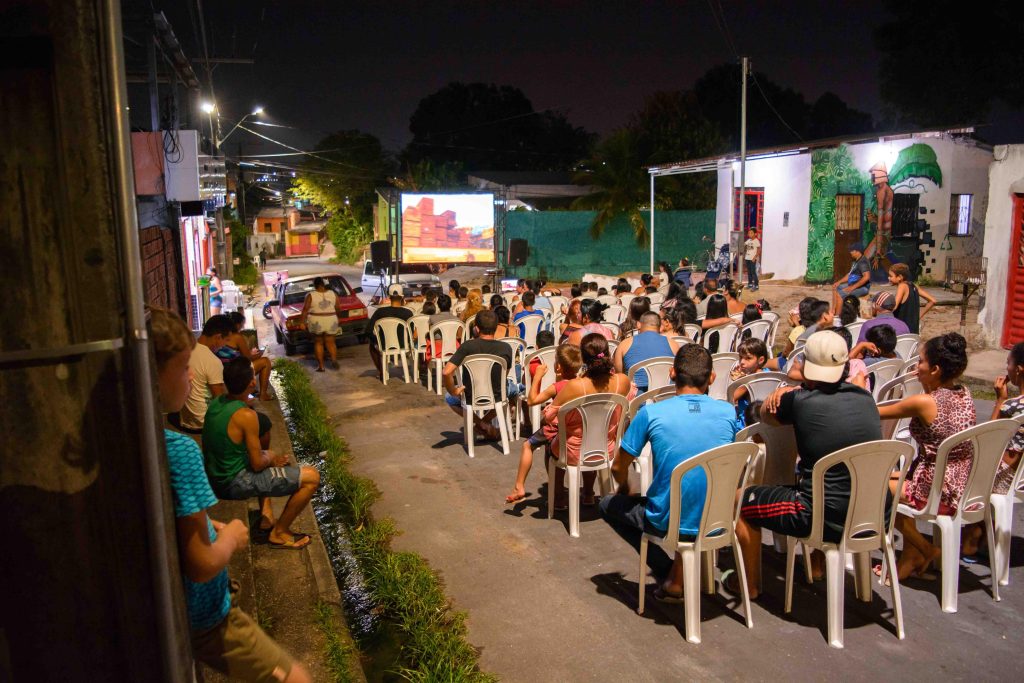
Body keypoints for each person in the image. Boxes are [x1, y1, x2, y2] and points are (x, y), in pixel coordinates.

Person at [149, 307, 310, 683]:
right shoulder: (180, 450)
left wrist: (203, 522)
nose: (191, 377)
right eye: (184, 366)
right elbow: (203, 563)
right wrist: (231, 537)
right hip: (205, 614)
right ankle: (278, 531)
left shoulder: (203, 417)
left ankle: (269, 517)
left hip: (167, 614)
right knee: (295, 678)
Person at [735, 331, 881, 597]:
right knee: (833, 487)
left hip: (816, 513)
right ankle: (817, 565)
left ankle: (749, 585)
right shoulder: (865, 398)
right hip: (872, 511)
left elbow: (765, 416)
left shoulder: (799, 400)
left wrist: (782, 393)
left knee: (739, 501)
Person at [601, 344, 739, 600]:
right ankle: (678, 575)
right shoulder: (728, 413)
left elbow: (619, 466)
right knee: (690, 491)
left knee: (608, 505)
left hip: (666, 519)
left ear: (673, 373)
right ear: (712, 377)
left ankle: (669, 573)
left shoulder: (652, 413)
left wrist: (624, 487)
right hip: (716, 517)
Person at [876, 333, 975, 580]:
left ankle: (925, 548)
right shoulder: (964, 392)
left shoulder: (924, 402)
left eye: (920, 362)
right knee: (887, 477)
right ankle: (911, 556)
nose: (916, 367)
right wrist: (925, 383)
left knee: (876, 489)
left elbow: (874, 411)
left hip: (936, 487)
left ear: (935, 369)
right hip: (961, 483)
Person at [203, 358, 321, 550]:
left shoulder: (217, 403)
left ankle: (268, 514)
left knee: (265, 444)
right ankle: (279, 533)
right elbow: (258, 464)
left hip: (216, 477)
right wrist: (271, 456)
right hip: (235, 482)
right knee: (312, 477)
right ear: (252, 382)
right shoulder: (246, 416)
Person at [546, 334, 633, 509]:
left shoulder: (575, 386)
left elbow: (548, 416)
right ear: (607, 354)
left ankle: (558, 498)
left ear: (583, 359)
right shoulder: (622, 381)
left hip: (573, 451)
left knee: (551, 448)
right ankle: (588, 493)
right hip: (608, 447)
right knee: (592, 436)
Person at [505, 344, 583, 504]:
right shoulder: (582, 383)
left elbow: (532, 400)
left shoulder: (557, 387)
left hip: (556, 428)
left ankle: (519, 486)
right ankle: (559, 495)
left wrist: (538, 377)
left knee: (528, 445)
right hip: (576, 429)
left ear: (558, 366)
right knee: (551, 451)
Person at [442, 310, 523, 441]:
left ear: (476, 328)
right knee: (515, 390)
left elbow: (446, 372)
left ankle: (481, 424)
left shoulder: (467, 346)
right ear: (496, 328)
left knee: (449, 398)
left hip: (471, 394)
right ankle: (484, 424)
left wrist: (453, 390)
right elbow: (505, 375)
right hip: (498, 393)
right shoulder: (506, 348)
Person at [172, 314, 233, 436]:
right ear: (218, 337)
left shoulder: (185, 349)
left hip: (185, 420)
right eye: (226, 340)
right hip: (204, 423)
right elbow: (219, 400)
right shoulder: (212, 361)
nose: (225, 345)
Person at [614, 312, 678, 392]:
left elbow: (620, 375)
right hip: (665, 396)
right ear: (660, 326)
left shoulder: (624, 344)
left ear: (638, 324)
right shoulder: (674, 344)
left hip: (636, 400)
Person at [217, 311, 273, 400]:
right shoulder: (237, 337)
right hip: (234, 372)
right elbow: (247, 359)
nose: (242, 327)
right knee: (265, 361)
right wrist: (259, 354)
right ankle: (263, 395)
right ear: (237, 324)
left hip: (223, 370)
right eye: (242, 324)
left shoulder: (220, 335)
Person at [368, 285, 414, 381]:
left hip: (385, 344)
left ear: (389, 297)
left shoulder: (380, 312)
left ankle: (381, 371)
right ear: (402, 296)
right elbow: (412, 331)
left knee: (371, 346)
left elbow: (368, 331)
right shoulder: (408, 313)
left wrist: (377, 341)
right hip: (403, 344)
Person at [299, 276, 343, 372]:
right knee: (330, 342)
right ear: (323, 284)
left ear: (315, 285)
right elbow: (338, 308)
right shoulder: (333, 293)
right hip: (331, 319)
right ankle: (334, 359)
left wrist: (302, 322)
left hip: (317, 320)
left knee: (318, 342)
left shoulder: (310, 295)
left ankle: (321, 366)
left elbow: (305, 309)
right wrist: (338, 318)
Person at [730, 337, 770, 426]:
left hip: (745, 425)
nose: (742, 362)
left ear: (761, 360)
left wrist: (738, 382)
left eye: (748, 358)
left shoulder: (748, 382)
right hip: (766, 422)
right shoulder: (768, 373)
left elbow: (731, 399)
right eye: (741, 357)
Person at [889, 263, 936, 334]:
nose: (888, 278)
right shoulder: (913, 285)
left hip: (903, 330)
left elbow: (894, 307)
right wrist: (918, 317)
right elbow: (933, 301)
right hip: (913, 333)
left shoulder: (902, 286)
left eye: (890, 276)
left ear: (900, 277)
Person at [831, 241, 871, 314]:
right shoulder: (855, 261)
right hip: (853, 284)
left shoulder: (863, 262)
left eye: (852, 250)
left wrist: (852, 288)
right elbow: (849, 275)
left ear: (857, 251)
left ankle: (837, 317)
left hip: (863, 288)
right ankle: (833, 310)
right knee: (835, 287)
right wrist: (839, 282)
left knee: (840, 294)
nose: (850, 252)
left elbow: (866, 277)